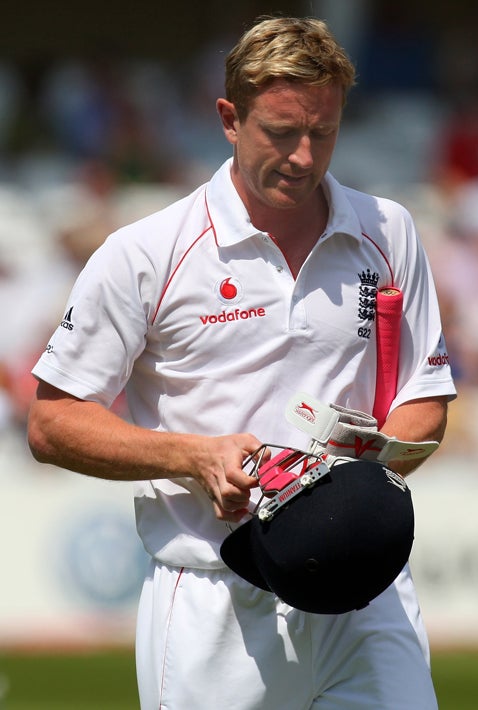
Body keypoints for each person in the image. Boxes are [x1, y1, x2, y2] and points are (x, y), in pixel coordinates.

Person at [28, 16, 456, 710]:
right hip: (214, 603)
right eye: (281, 133)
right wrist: (196, 457)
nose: (304, 157)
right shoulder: (147, 253)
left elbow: (427, 398)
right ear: (230, 118)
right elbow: (52, 422)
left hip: (366, 592)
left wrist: (345, 481)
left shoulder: (389, 229)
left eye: (323, 132)